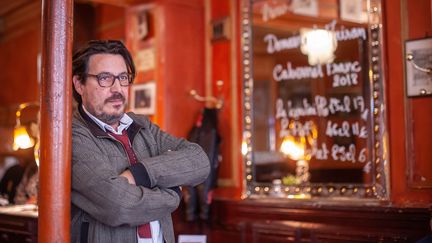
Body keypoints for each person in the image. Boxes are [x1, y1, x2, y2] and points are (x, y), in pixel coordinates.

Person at [71, 40, 210, 243]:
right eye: (104, 78)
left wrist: (139, 174)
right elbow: (118, 205)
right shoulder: (73, 136)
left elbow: (200, 161)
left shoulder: (142, 126)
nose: (117, 88)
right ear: (79, 84)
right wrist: (172, 194)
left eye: (123, 78)